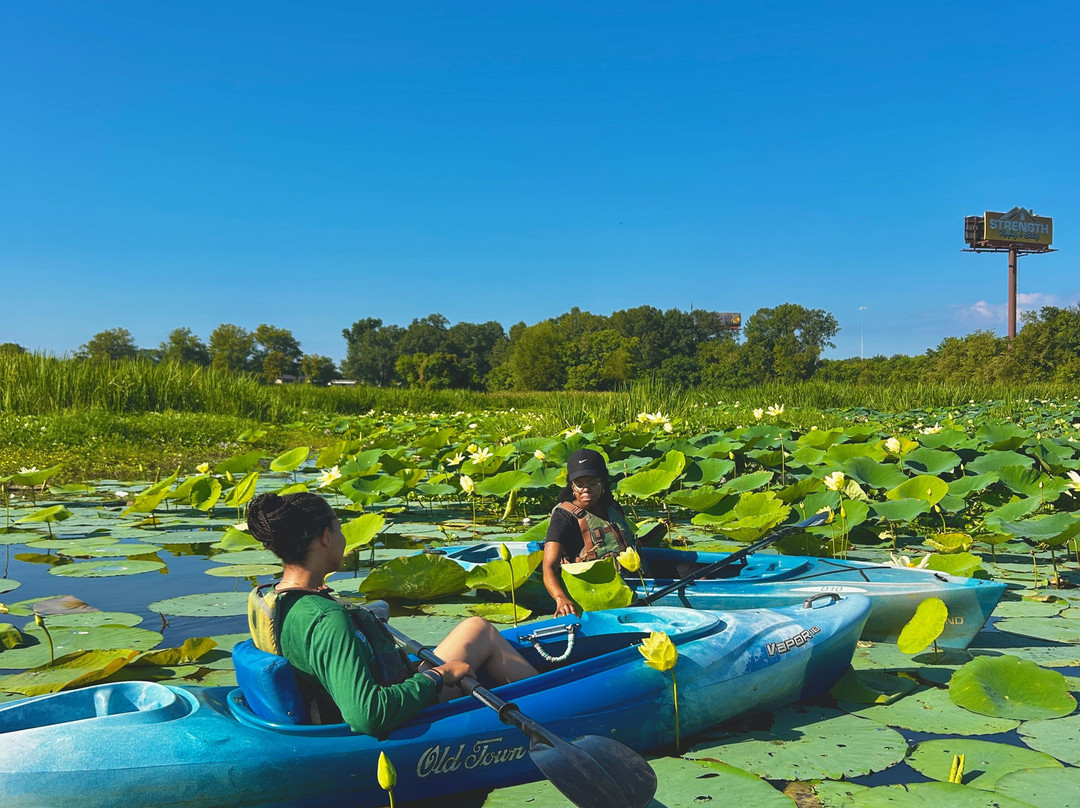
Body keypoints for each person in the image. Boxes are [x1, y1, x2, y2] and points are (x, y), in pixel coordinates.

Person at [246, 491, 537, 736]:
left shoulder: (275, 596)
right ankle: (549, 707)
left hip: (353, 692)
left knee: (477, 627)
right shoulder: (326, 619)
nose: (343, 537)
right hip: (389, 719)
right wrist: (438, 676)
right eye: (339, 528)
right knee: (478, 642)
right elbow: (366, 715)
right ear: (325, 537)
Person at [541, 448, 642, 617]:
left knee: (692, 568)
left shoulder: (611, 506)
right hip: (599, 585)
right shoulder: (563, 517)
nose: (586, 490)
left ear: (603, 482)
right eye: (579, 485)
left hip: (634, 575)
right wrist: (561, 598)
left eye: (593, 483)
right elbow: (549, 567)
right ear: (572, 486)